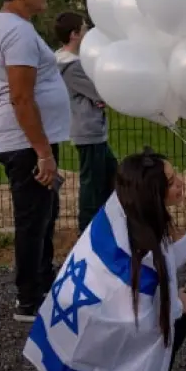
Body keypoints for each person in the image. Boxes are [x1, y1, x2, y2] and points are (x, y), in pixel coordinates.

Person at [23, 149, 186, 371]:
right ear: (152, 193)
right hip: (101, 331)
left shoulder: (123, 213)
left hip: (80, 323)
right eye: (171, 181)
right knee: (181, 317)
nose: (181, 183)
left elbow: (162, 264)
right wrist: (174, 304)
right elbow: (141, 307)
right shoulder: (142, 244)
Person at [0, 0, 71, 322]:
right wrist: (43, 152)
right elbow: (20, 97)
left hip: (29, 142)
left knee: (44, 216)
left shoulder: (15, 27)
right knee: (33, 220)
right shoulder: (16, 33)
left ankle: (43, 285)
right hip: (25, 143)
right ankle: (29, 300)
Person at [53, 12, 119, 234]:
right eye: (84, 28)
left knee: (111, 176)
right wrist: (100, 97)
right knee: (92, 186)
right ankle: (87, 231)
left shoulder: (67, 62)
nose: (87, 32)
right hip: (88, 132)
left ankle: (107, 224)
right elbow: (100, 91)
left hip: (92, 131)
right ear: (74, 35)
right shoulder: (73, 67)